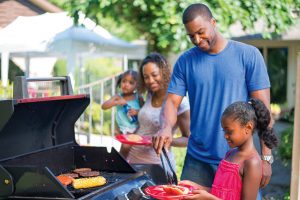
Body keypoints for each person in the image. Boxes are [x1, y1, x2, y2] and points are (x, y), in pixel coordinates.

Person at [152, 3, 274, 195]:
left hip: (240, 160)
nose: (197, 40)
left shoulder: (249, 55)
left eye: (201, 32)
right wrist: (166, 126)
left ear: (213, 22)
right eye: (191, 36)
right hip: (198, 160)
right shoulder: (185, 61)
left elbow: (263, 110)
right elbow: (171, 102)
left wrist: (266, 158)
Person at [181, 98, 278, 200]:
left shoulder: (252, 162)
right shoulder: (230, 154)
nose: (225, 136)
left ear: (248, 128)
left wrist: (209, 199)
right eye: (224, 131)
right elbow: (218, 191)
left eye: (229, 131)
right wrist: (194, 186)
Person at [127, 53, 190, 169]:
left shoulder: (180, 101)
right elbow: (143, 127)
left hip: (158, 164)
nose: (150, 80)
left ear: (164, 73)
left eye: (154, 75)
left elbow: (188, 139)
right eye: (146, 77)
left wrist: (165, 140)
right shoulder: (149, 95)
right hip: (133, 159)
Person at [101, 70, 143, 158]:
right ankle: (122, 164)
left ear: (137, 85)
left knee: (128, 149)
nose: (126, 84)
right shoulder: (117, 97)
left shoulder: (138, 97)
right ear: (120, 82)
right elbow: (104, 106)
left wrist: (136, 112)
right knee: (125, 148)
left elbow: (145, 111)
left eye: (131, 83)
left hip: (137, 128)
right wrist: (116, 102)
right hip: (124, 130)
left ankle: (122, 163)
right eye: (124, 81)